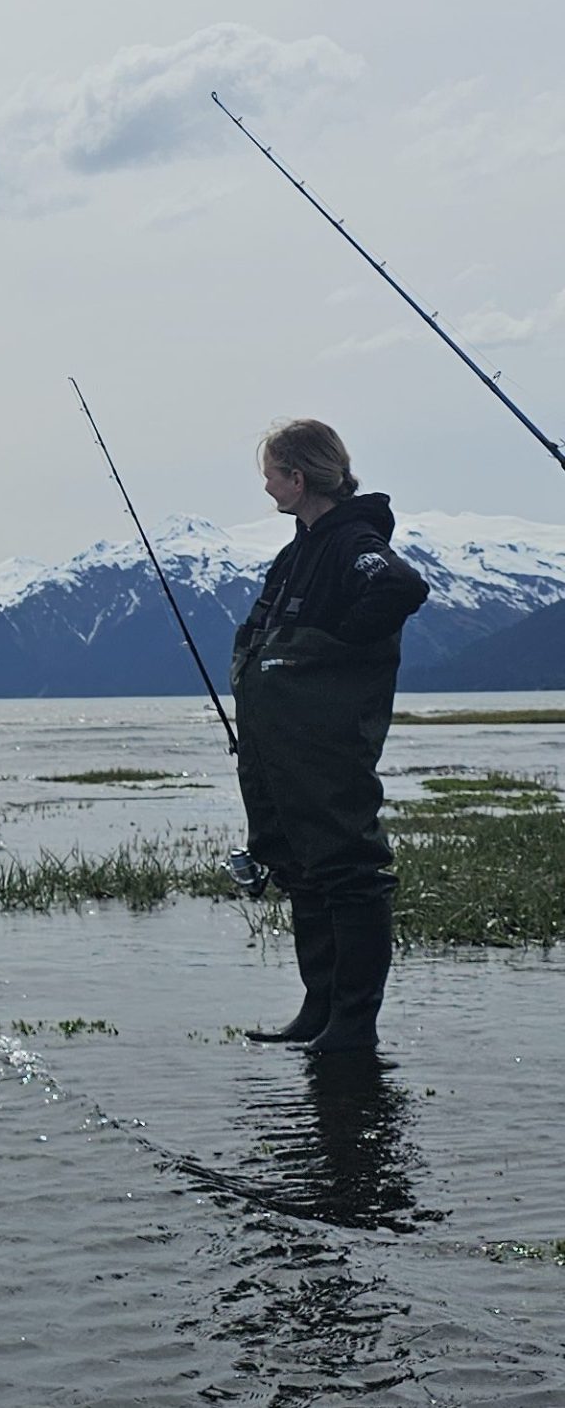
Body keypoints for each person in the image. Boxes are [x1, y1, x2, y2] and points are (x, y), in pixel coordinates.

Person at [233, 419, 428, 1055]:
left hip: (328, 745)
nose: (267, 488)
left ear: (298, 477)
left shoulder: (353, 541)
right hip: (284, 747)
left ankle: (352, 1023)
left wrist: (335, 651)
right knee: (303, 870)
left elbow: (399, 587)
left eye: (272, 475)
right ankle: (318, 1011)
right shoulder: (299, 550)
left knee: (349, 873)